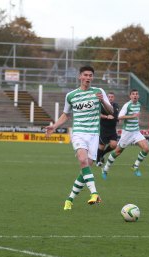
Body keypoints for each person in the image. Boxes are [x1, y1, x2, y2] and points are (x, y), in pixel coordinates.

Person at [45, 65, 113, 210]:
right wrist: (54, 126)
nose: (88, 78)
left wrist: (103, 101)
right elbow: (66, 114)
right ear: (80, 77)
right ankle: (94, 194)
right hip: (78, 133)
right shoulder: (71, 95)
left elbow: (111, 111)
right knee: (82, 160)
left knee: (85, 168)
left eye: (90, 75)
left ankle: (69, 199)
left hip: (94, 135)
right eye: (86, 75)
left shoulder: (99, 92)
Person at [102, 89, 149, 178]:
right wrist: (132, 116)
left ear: (138, 96)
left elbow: (136, 116)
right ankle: (106, 169)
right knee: (118, 152)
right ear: (130, 96)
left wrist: (137, 120)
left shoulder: (138, 104)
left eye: (136, 94)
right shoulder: (127, 105)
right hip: (127, 133)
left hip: (136, 132)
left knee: (146, 148)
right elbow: (120, 117)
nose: (135, 95)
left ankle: (135, 166)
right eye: (133, 94)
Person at [96, 91, 120, 167]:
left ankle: (102, 154)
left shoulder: (116, 105)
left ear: (114, 98)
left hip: (112, 129)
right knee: (101, 146)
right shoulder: (102, 105)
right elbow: (98, 114)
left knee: (114, 145)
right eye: (109, 97)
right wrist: (106, 116)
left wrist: (117, 118)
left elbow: (116, 115)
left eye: (112, 97)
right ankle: (97, 161)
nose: (110, 98)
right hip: (103, 128)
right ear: (106, 97)